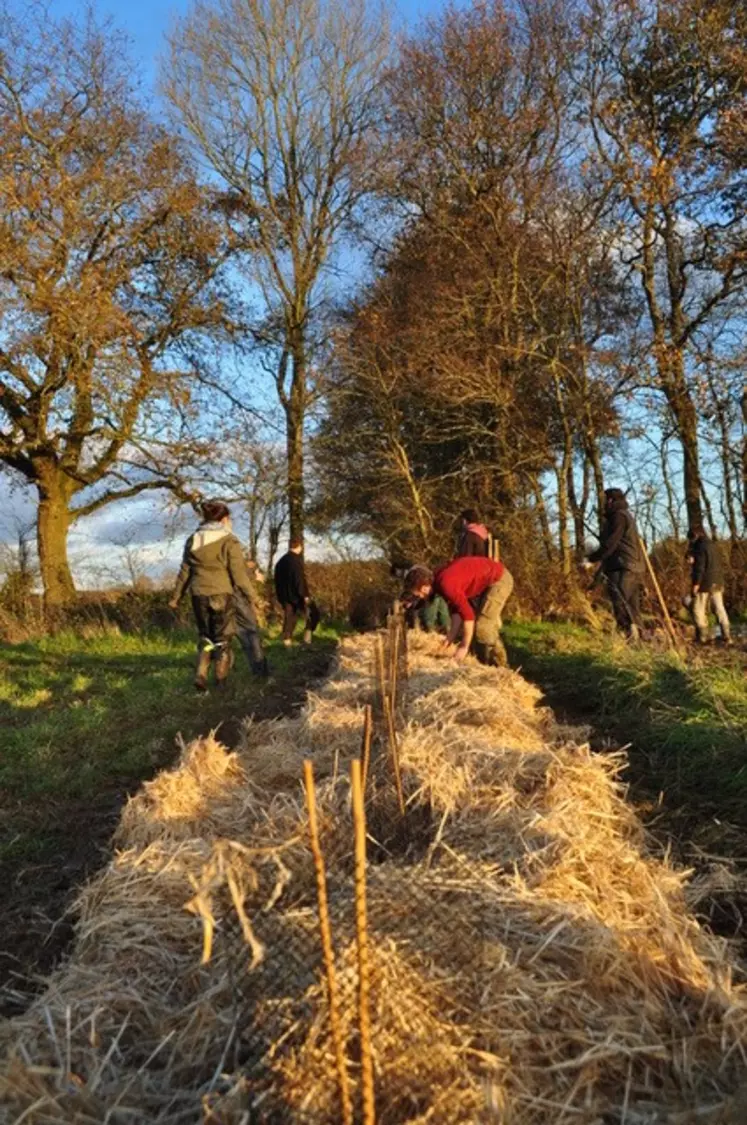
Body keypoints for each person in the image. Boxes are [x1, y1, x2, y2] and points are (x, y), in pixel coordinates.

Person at [169, 500, 261, 691]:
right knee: (223, 640)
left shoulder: (193, 540)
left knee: (206, 638)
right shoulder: (229, 541)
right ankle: (220, 682)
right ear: (224, 519)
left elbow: (185, 571)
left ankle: (201, 674)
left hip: (198, 594)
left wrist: (176, 596)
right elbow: (239, 576)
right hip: (221, 594)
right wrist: (255, 598)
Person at [403, 555, 514, 666]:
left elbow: (468, 615)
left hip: (499, 579)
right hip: (488, 580)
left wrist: (463, 647)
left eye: (419, 595)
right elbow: (456, 610)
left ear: (423, 588)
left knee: (483, 628)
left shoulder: (445, 583)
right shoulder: (438, 581)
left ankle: (501, 665)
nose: (421, 598)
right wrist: (450, 638)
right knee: (476, 630)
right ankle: (484, 662)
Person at [585, 487, 645, 641]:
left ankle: (627, 637)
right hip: (632, 566)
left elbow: (610, 544)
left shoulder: (618, 517)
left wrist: (591, 559)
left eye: (605, 500)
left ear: (610, 500)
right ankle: (641, 640)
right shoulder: (626, 516)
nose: (603, 503)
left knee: (620, 602)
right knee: (632, 606)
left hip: (624, 566)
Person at [685, 526, 732, 646]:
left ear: (694, 536)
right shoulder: (713, 545)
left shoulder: (700, 547)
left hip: (705, 583)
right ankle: (727, 636)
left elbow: (699, 567)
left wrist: (696, 584)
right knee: (719, 608)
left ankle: (703, 637)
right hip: (717, 581)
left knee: (698, 609)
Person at [274, 538, 318, 645]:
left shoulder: (280, 561)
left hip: (284, 596)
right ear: (299, 547)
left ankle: (287, 643)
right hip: (297, 595)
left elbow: (276, 580)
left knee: (289, 618)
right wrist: (305, 595)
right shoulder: (296, 561)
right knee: (313, 614)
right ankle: (307, 639)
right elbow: (299, 580)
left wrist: (280, 596)